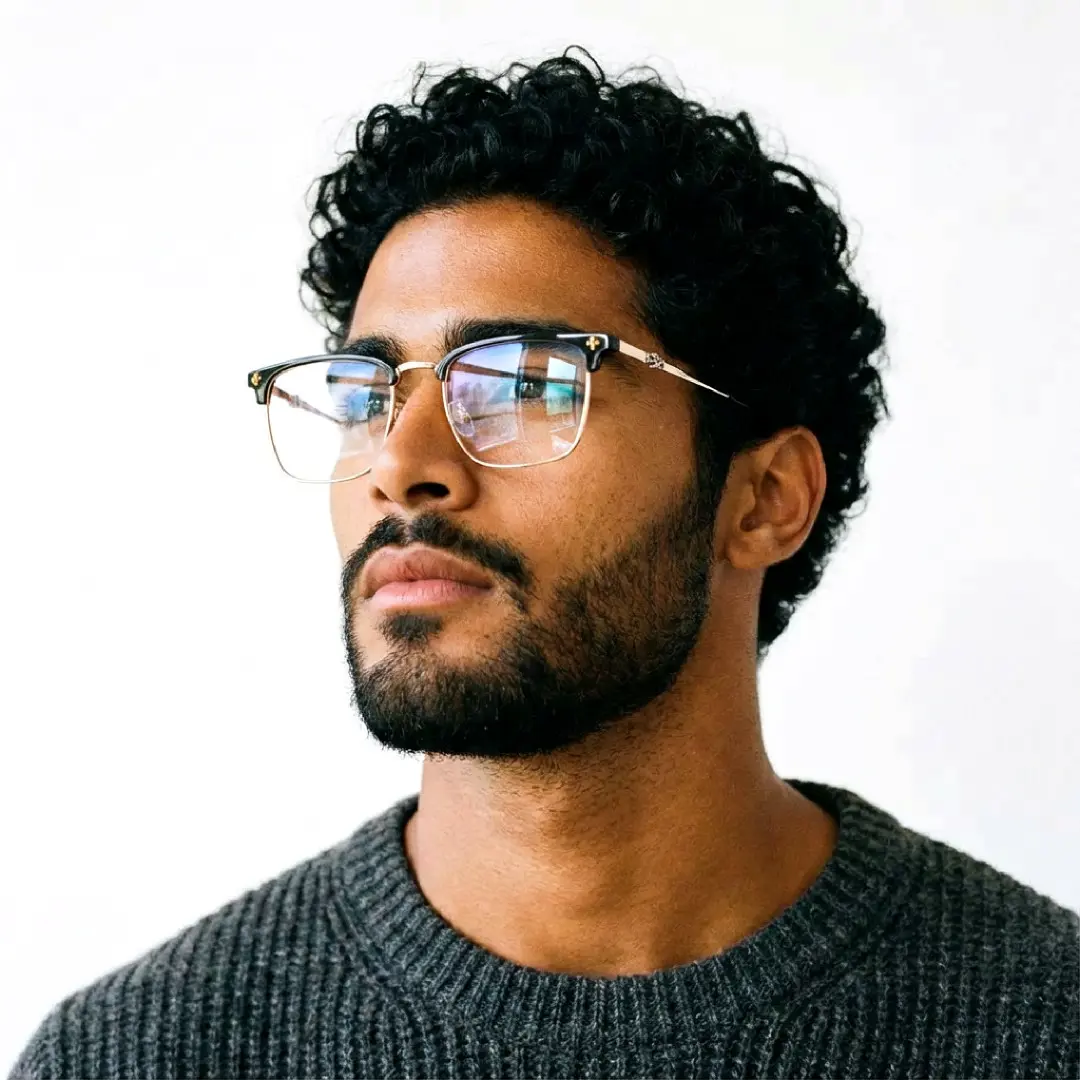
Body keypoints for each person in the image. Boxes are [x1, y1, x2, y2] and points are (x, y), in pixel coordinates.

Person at [10, 47, 1078, 1080]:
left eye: (523, 382)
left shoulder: (1043, 1028)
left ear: (763, 499)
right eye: (367, 392)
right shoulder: (138, 1055)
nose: (401, 465)